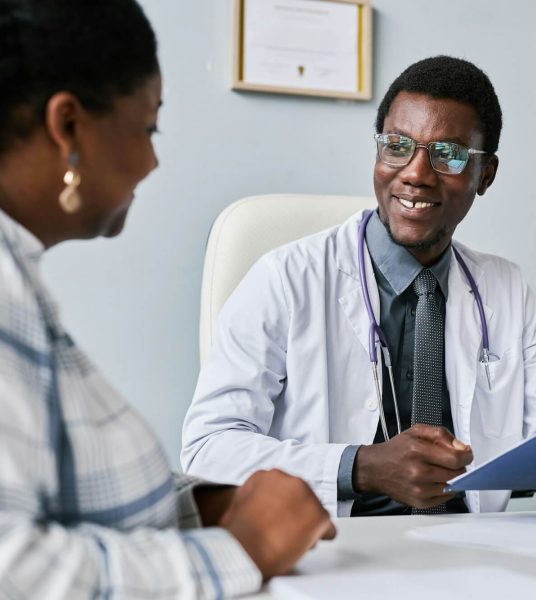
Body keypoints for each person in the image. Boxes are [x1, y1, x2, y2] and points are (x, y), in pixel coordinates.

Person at [182, 56, 536, 517]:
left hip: (468, 553)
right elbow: (207, 447)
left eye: (447, 154)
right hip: (334, 555)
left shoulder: (504, 288)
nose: (416, 174)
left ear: (484, 174)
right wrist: (360, 466)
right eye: (398, 147)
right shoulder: (286, 277)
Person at [0, 1, 334, 597]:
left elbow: (72, 498)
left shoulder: (18, 278)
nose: (153, 160)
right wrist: (241, 550)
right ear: (68, 125)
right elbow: (15, 569)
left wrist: (200, 506)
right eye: (147, 127)